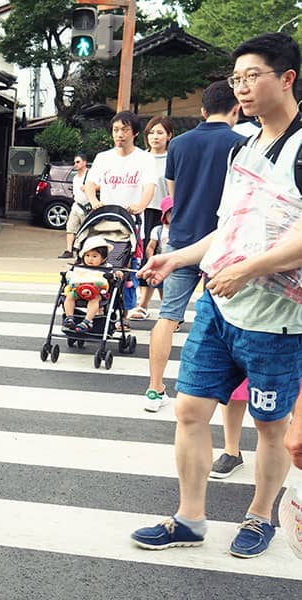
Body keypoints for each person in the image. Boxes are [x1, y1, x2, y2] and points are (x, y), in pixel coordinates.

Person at [132, 32, 302, 559]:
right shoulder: (244, 145)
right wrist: (179, 257)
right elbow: (230, 228)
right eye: (237, 79)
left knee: (270, 428)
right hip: (219, 305)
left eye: (253, 76)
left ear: (287, 78)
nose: (243, 88)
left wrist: (248, 271)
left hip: (277, 319)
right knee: (189, 411)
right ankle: (189, 518)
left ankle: (259, 516)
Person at [141, 81, 242, 413]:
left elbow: (173, 195)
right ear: (236, 109)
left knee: (168, 316)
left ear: (202, 110)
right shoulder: (242, 145)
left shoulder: (179, 145)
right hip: (223, 246)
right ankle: (223, 398)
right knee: (225, 320)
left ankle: (155, 389)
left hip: (180, 242)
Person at [84, 111, 157, 323]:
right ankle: (97, 312)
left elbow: (149, 187)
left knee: (126, 273)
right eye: (116, 130)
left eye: (124, 130)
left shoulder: (145, 159)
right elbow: (90, 183)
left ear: (134, 133)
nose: (119, 134)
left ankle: (123, 318)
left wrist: (140, 206)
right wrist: (94, 201)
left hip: (130, 226)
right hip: (104, 225)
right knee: (98, 269)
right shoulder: (103, 158)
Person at [128, 116, 173, 320]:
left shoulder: (173, 157)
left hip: (166, 215)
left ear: (169, 135)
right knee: (145, 257)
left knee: (164, 258)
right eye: (152, 132)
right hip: (142, 212)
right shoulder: (140, 158)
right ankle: (143, 304)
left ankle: (169, 309)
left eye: (160, 132)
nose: (155, 137)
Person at [61, 236, 121, 333]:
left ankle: (87, 321)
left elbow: (113, 274)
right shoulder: (79, 267)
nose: (90, 259)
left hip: (96, 293)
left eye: (94, 256)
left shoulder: (107, 268)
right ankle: (69, 318)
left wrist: (116, 274)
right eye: (87, 255)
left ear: (103, 259)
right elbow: (71, 277)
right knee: (69, 297)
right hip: (79, 291)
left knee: (95, 300)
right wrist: (68, 274)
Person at [131, 195, 172, 322]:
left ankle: (168, 313)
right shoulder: (158, 230)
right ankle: (145, 305)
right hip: (159, 261)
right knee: (157, 283)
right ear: (164, 215)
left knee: (168, 288)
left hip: (172, 262)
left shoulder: (179, 229)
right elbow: (150, 246)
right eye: (170, 213)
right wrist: (151, 259)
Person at [58, 153, 90, 259]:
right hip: (76, 206)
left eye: (78, 162)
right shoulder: (75, 177)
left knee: (86, 230)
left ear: (84, 163)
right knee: (70, 228)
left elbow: (101, 186)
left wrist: (89, 188)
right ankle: (69, 250)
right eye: (74, 162)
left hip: (87, 208)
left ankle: (83, 250)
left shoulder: (90, 175)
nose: (75, 164)